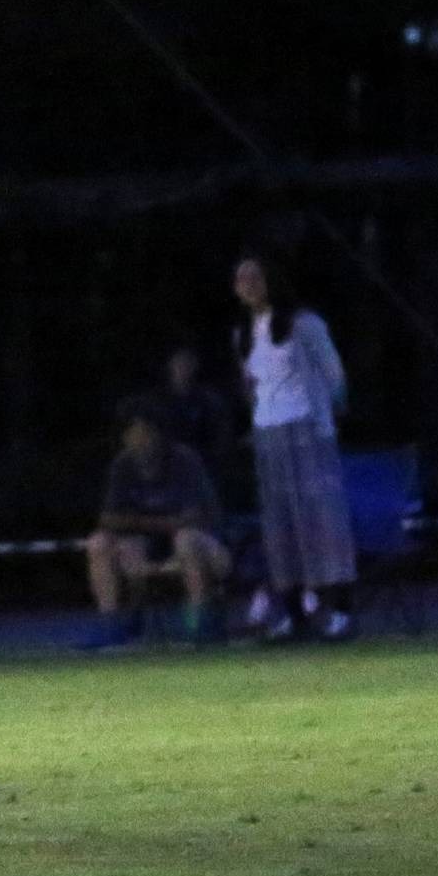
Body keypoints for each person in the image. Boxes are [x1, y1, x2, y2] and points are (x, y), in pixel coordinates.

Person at [234, 253, 355, 642]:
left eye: (255, 277)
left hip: (306, 429)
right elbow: (251, 385)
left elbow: (333, 374)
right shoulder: (244, 332)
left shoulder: (305, 325)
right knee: (279, 524)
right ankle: (289, 612)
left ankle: (336, 609)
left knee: (320, 520)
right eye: (241, 279)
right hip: (268, 434)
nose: (248, 285)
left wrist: (330, 416)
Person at [80, 400, 229, 648]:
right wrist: (146, 529)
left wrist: (138, 524)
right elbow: (108, 519)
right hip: (149, 545)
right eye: (133, 433)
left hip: (208, 547)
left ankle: (199, 622)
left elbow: (194, 518)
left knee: (185, 540)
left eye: (146, 432)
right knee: (99, 543)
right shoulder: (122, 466)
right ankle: (112, 625)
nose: (141, 440)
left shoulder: (184, 460)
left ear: (159, 433)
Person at [157, 341, 237, 484]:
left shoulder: (209, 398)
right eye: (179, 361)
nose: (183, 367)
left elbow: (222, 435)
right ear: (170, 365)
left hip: (203, 467)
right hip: (168, 468)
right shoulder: (159, 400)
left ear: (195, 365)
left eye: (188, 361)